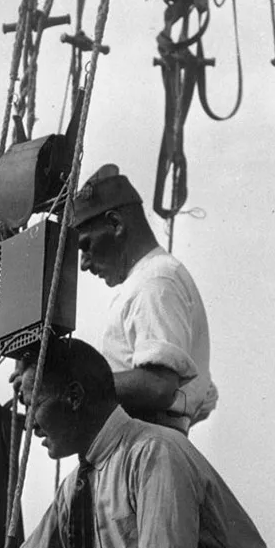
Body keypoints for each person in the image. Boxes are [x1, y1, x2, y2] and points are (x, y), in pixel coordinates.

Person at [0, 336, 264, 548]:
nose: (30, 426)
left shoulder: (155, 453)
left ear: (74, 397)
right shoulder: (75, 487)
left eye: (34, 405)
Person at [69, 163, 217, 434]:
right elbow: (205, 396)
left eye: (86, 245)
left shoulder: (155, 281)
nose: (84, 264)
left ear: (115, 224)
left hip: (148, 445)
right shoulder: (151, 278)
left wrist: (76, 386)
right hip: (147, 441)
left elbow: (158, 386)